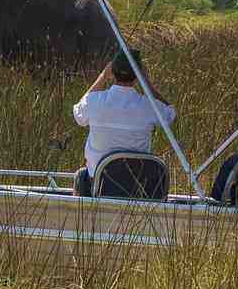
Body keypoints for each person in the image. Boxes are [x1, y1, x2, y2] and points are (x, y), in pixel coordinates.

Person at [71, 48, 175, 196]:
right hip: (139, 189)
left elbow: (78, 114)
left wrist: (102, 76)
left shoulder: (95, 101)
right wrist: (146, 82)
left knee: (81, 176)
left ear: (112, 72)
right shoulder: (148, 106)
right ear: (138, 75)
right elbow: (170, 113)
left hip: (100, 187)